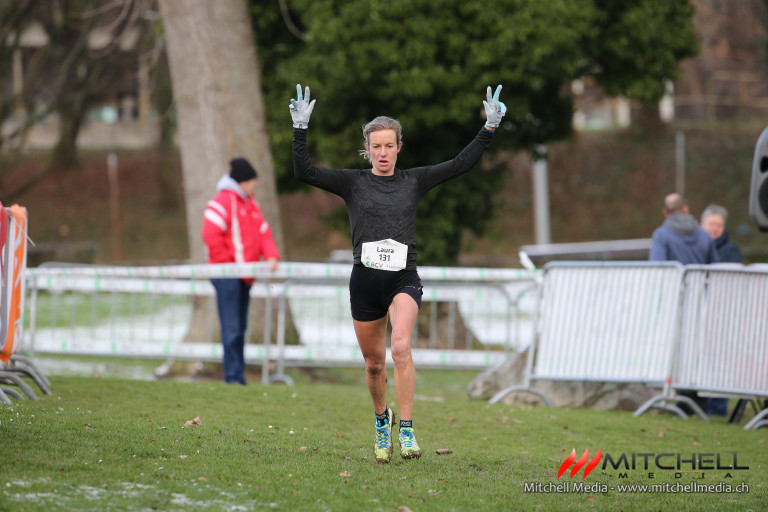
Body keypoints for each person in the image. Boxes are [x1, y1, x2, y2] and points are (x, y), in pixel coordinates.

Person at [289, 83, 505, 463]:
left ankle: (406, 430)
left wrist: (488, 129)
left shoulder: (414, 181)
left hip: (403, 278)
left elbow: (460, 164)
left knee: (401, 347)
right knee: (374, 364)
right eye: (377, 146)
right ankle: (380, 421)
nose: (383, 152)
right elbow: (303, 171)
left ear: (398, 148)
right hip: (366, 283)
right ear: (368, 149)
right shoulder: (352, 182)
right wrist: (300, 129)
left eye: (390, 145)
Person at [201, 157, 280, 385]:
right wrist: (229, 265)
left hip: (244, 276)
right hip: (228, 275)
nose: (255, 184)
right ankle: (233, 377)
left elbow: (263, 232)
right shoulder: (222, 202)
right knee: (232, 328)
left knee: (239, 328)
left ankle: (237, 376)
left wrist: (272, 254)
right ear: (243, 181)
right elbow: (210, 235)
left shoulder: (250, 204)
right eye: (252, 180)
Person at [700, 203, 742, 416]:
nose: (715, 228)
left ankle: (718, 407)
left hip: (722, 313)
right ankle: (700, 405)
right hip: (700, 310)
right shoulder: (699, 245)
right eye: (711, 224)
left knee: (721, 360)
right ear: (702, 224)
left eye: (719, 225)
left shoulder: (730, 251)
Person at [649, 193, 719, 264]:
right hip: (701, 275)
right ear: (685, 209)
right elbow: (714, 267)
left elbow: (657, 267)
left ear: (665, 212)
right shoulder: (705, 235)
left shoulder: (661, 235)